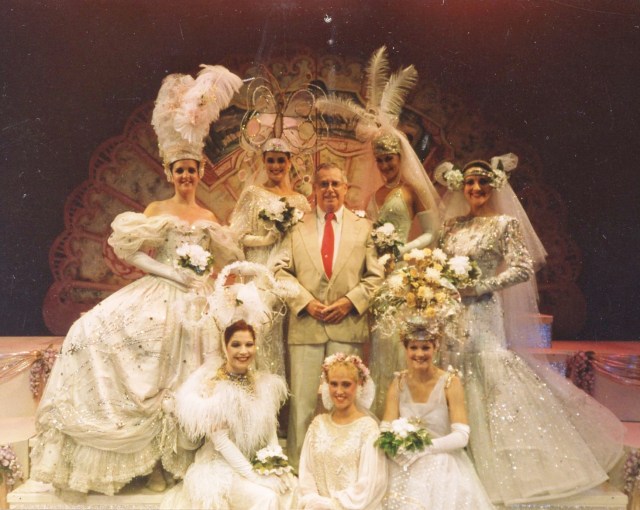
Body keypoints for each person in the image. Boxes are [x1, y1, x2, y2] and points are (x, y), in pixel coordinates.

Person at [30, 65, 244, 495]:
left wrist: (206, 281)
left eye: (192, 170)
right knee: (95, 335)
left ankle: (178, 458)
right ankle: (147, 463)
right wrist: (170, 272)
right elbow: (130, 251)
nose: (186, 177)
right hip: (160, 293)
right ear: (169, 173)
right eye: (179, 170)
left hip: (196, 303)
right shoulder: (156, 211)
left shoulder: (207, 215)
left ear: (200, 171)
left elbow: (228, 258)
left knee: (188, 378)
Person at [434, 154, 625, 505]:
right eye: (470, 183)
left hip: (484, 310)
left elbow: (523, 266)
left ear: (493, 187)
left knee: (487, 373)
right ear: (462, 187)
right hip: (452, 312)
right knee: (453, 372)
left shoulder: (504, 224)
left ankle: (497, 470)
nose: (475, 188)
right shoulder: (452, 226)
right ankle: (458, 466)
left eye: (482, 182)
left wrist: (482, 285)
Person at [316, 46, 442, 416]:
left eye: (390, 160)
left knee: (400, 341)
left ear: (400, 158)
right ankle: (385, 412)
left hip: (403, 275)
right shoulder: (375, 196)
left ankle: (410, 412)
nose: (385, 165)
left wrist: (403, 250)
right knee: (380, 343)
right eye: (381, 160)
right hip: (379, 275)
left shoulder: (412, 191)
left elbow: (432, 233)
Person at [275, 162, 385, 466]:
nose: (330, 189)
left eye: (336, 183)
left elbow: (376, 276)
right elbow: (279, 271)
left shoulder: (364, 228)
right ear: (314, 189)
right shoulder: (296, 227)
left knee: (345, 402)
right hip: (305, 326)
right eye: (323, 184)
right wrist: (305, 302)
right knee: (303, 404)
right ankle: (299, 466)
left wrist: (349, 302)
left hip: (347, 325)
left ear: (346, 188)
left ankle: (344, 466)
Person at [161, 319, 294, 510]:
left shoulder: (262, 384)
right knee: (267, 497)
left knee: (289, 490)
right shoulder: (213, 386)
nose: (243, 351)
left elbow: (270, 432)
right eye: (236, 345)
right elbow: (222, 443)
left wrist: (276, 466)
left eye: (249, 344)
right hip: (220, 469)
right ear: (225, 347)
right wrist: (257, 478)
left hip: (252, 462)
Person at [381, 319, 494, 510]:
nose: (419, 354)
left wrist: (423, 450)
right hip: (405, 461)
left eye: (425, 347)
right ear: (405, 349)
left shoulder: (450, 382)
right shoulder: (398, 383)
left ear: (435, 347)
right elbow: (385, 427)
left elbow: (461, 436)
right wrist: (396, 450)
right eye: (413, 347)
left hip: (443, 461)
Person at [229, 137, 310, 376]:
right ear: (264, 162)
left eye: (281, 160)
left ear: (289, 162)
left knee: (291, 332)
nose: (276, 166)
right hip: (260, 271)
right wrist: (265, 240)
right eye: (271, 161)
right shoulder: (253, 194)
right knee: (262, 330)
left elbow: (306, 240)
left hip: (290, 272)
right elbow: (237, 235)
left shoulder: (300, 201)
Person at [297, 353, 387, 509]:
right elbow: (306, 473)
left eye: (346, 384)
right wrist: (314, 501)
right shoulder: (318, 425)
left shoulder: (368, 428)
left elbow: (371, 483)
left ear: (358, 385)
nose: (339, 391)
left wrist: (333, 504)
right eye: (334, 384)